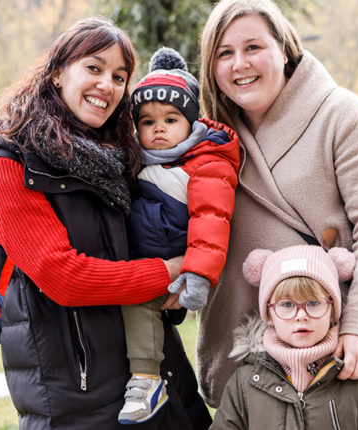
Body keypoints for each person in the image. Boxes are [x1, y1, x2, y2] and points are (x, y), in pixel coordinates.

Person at [0, 17, 212, 429]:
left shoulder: (120, 159)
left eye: (119, 76)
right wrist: (170, 272)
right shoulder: (11, 166)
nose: (107, 85)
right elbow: (65, 278)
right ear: (58, 73)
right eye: (94, 68)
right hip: (77, 394)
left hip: (158, 378)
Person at [196, 0, 358, 408]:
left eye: (253, 47)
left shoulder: (341, 114)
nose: (240, 64)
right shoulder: (207, 136)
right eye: (224, 53)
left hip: (324, 350)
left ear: (284, 49)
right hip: (236, 352)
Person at [119, 47, 240, 424]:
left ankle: (145, 380)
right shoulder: (135, 162)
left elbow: (211, 221)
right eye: (147, 121)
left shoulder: (206, 163)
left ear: (191, 123)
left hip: (177, 269)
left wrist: (198, 274)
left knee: (137, 304)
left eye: (171, 119)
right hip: (144, 261)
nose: (158, 128)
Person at [211, 245, 358, 429]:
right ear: (269, 314)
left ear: (332, 310)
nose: (301, 315)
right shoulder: (245, 382)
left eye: (313, 303)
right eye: (287, 305)